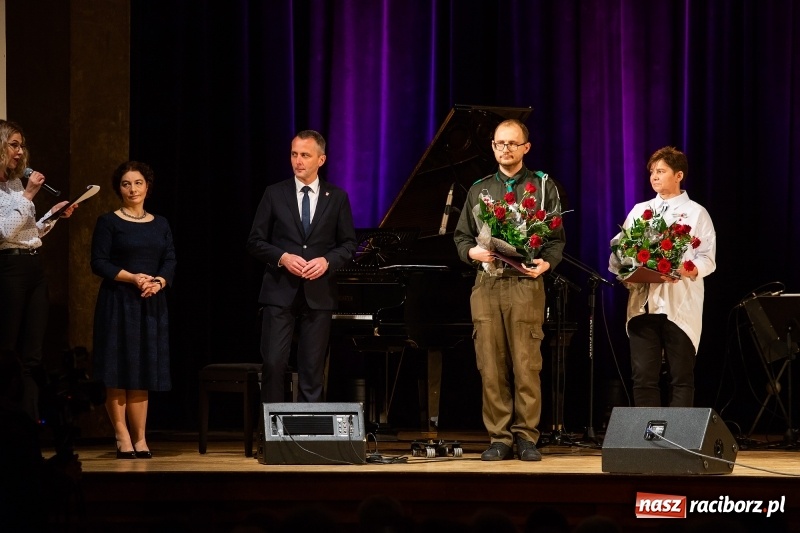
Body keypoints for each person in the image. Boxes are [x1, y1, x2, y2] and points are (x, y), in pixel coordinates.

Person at [453, 119, 565, 461]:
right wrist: (472, 252)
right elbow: (461, 237)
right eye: (500, 143)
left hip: (525, 285)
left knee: (527, 364)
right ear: (493, 147)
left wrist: (547, 263)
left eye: (512, 144)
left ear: (525, 148)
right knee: (490, 365)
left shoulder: (543, 187)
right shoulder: (479, 189)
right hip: (488, 284)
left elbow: (556, 240)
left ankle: (526, 437)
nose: (505, 149)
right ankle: (499, 437)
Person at [247, 130, 356, 403]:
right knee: (273, 363)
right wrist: (282, 257)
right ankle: (272, 435)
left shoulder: (337, 197)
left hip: (318, 292)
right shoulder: (274, 193)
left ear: (321, 159)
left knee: (312, 368)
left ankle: (310, 435)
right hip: (279, 290)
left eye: (305, 155)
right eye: (294, 154)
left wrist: (327, 261)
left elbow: (348, 244)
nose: (298, 161)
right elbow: (255, 241)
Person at [608, 146, 716, 407]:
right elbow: (621, 251)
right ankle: (650, 442)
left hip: (680, 303)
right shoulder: (640, 210)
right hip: (643, 305)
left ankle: (677, 443)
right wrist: (627, 272)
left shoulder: (696, 212)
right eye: (652, 172)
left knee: (681, 376)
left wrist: (689, 269)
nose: (654, 177)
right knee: (643, 376)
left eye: (661, 171)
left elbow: (707, 259)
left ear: (679, 175)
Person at [91, 161, 176, 458]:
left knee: (143, 370)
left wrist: (159, 282)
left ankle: (140, 438)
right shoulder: (108, 222)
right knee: (117, 369)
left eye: (138, 183)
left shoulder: (161, 223)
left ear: (147, 187)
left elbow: (170, 260)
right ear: (119, 189)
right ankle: (121, 435)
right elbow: (98, 262)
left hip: (150, 303)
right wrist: (133, 277)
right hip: (118, 302)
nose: (133, 189)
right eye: (126, 184)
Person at [0, 119, 78, 422]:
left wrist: (52, 216)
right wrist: (29, 196)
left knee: (33, 355)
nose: (21, 152)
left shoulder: (15, 184)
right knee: (6, 351)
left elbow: (27, 232)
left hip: (32, 265)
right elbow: (6, 233)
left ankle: (29, 425)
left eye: (22, 145)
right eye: (14, 145)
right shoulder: (19, 190)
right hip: (8, 268)